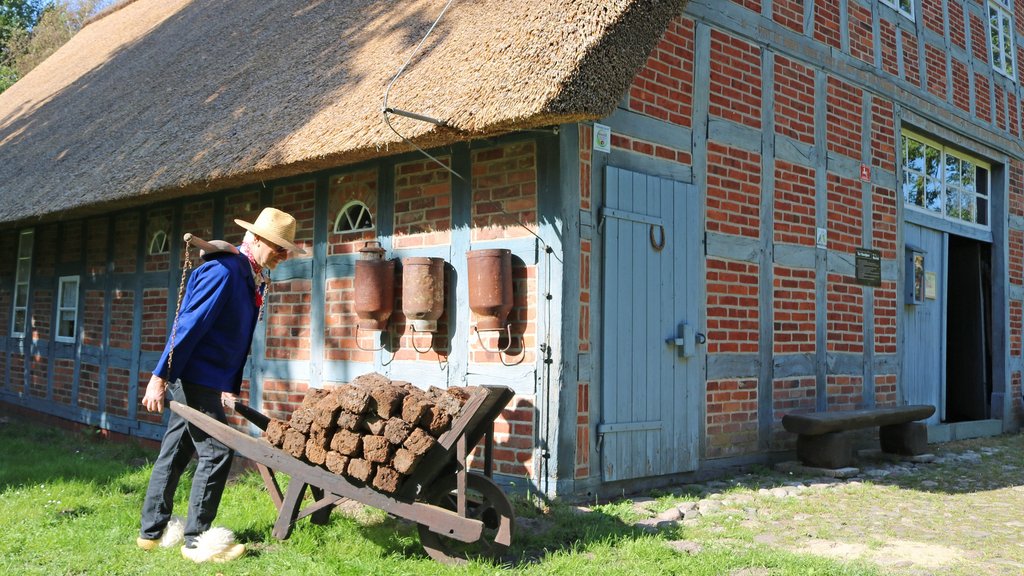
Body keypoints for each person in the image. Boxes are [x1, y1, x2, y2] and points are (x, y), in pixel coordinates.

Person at [137, 207, 306, 563]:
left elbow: (233, 339)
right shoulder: (225, 272)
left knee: (177, 450)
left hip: (208, 379)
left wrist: (228, 385)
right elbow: (189, 325)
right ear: (255, 239)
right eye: (278, 247)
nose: (283, 254)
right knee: (217, 451)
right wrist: (159, 376)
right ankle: (197, 540)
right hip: (194, 377)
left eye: (286, 249)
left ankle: (151, 532)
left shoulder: (247, 275)